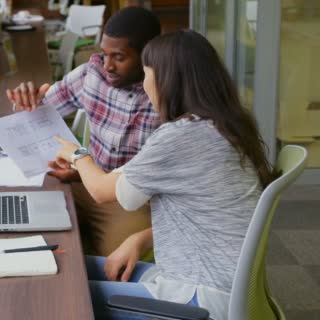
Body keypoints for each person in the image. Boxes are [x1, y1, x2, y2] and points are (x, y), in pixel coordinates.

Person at [53, 30, 277, 320]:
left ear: (165, 80)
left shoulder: (181, 137)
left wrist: (77, 155)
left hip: (198, 297)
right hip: (212, 283)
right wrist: (141, 239)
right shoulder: (224, 127)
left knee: (63, 293)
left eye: (147, 74)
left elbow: (101, 191)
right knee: (66, 269)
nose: (145, 85)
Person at [5, 7, 162, 256]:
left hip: (132, 202)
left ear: (148, 55)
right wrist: (25, 102)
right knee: (29, 227)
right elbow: (38, 111)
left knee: (114, 265)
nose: (107, 65)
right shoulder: (92, 74)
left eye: (119, 57)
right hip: (85, 182)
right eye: (104, 53)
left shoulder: (165, 97)